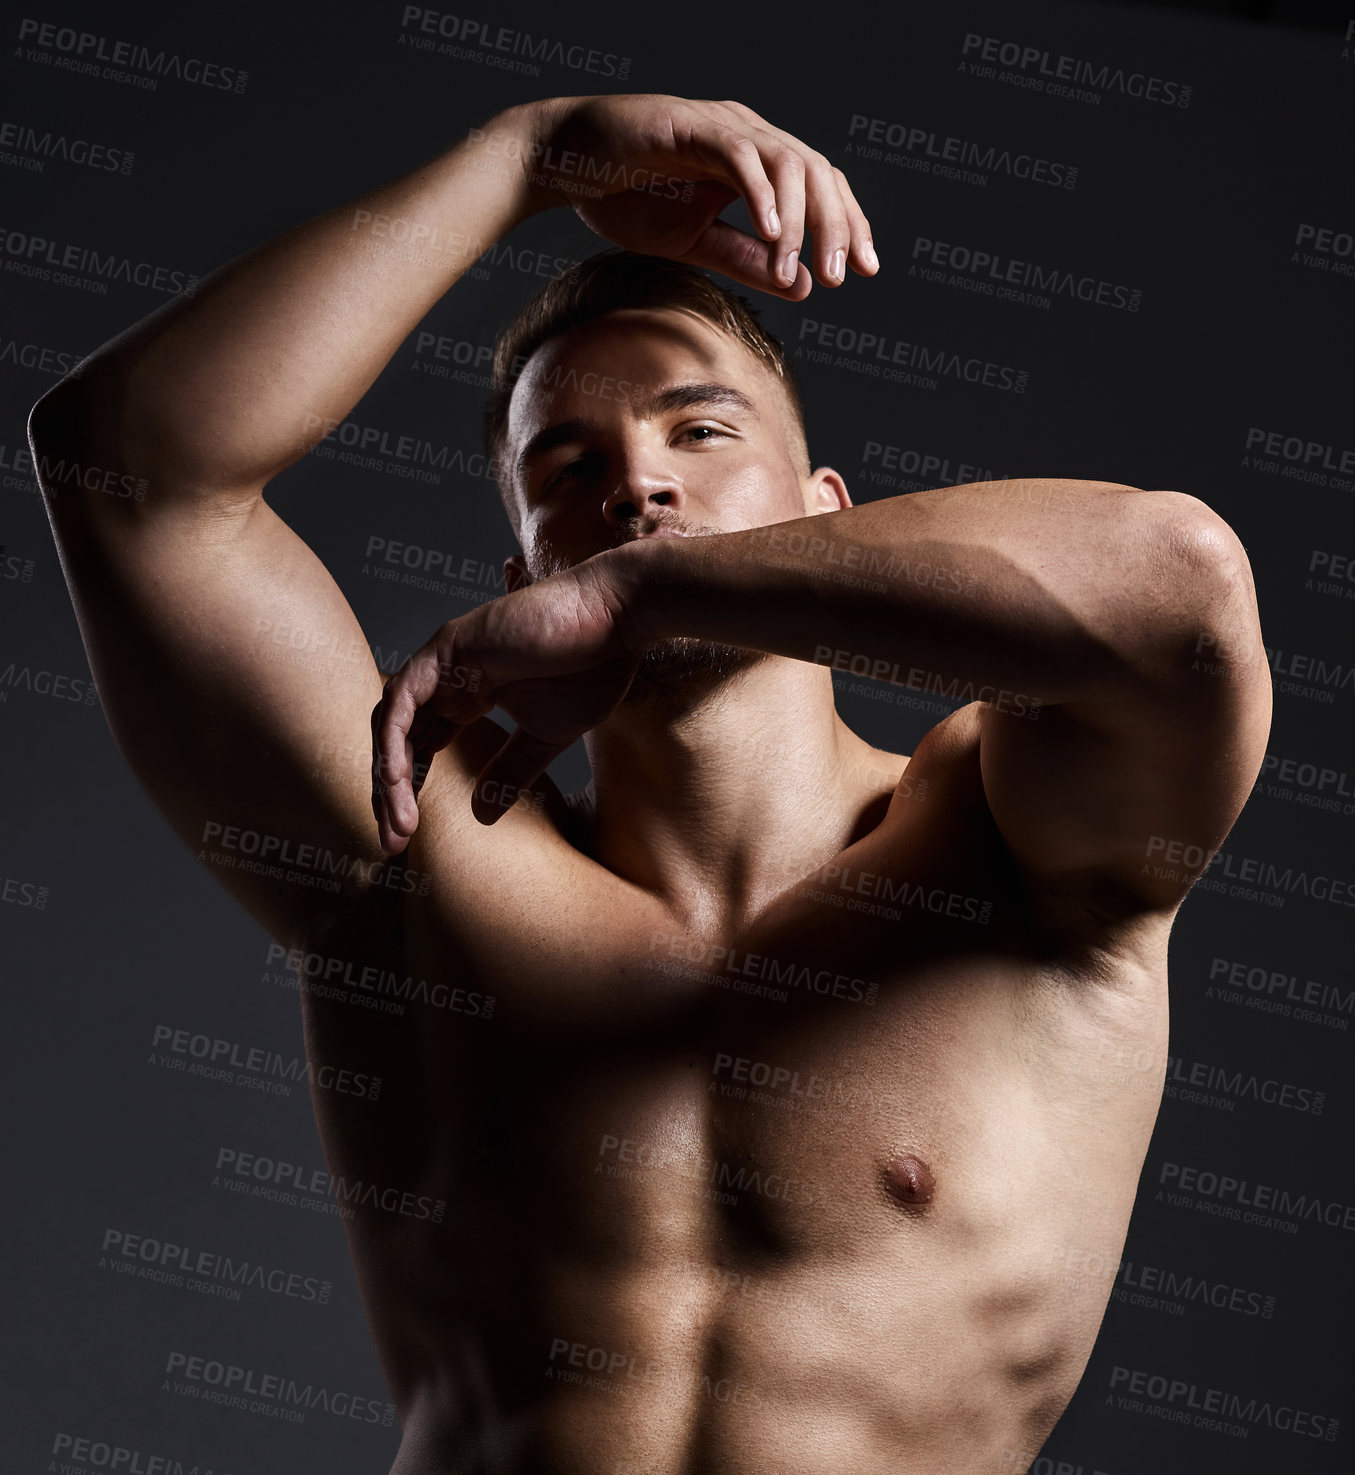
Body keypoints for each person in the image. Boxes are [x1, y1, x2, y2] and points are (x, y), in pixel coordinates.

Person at [28, 93, 1270, 1474]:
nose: (639, 488)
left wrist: (647, 596)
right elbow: (124, 470)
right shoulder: (414, 858)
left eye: (701, 431)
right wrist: (524, 157)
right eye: (568, 468)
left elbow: (1180, 588)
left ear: (827, 517)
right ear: (520, 582)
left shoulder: (1017, 850)